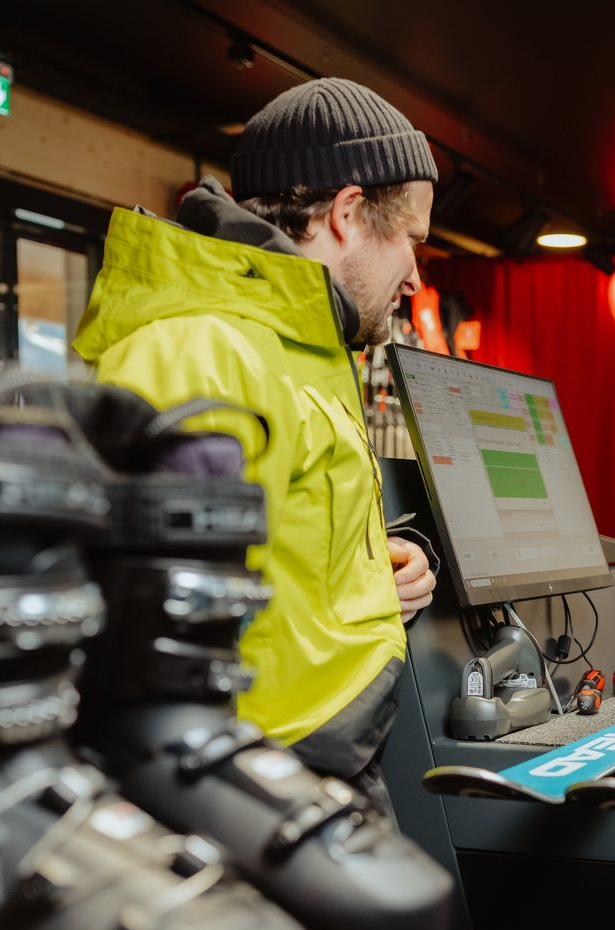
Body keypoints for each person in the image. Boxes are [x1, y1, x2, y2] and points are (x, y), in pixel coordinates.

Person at [74, 77, 438, 811]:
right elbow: (153, 623)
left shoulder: (306, 341)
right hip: (249, 784)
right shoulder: (198, 350)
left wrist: (380, 574)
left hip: (323, 764)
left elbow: (277, 549)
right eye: (413, 241)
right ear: (347, 213)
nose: (416, 275)